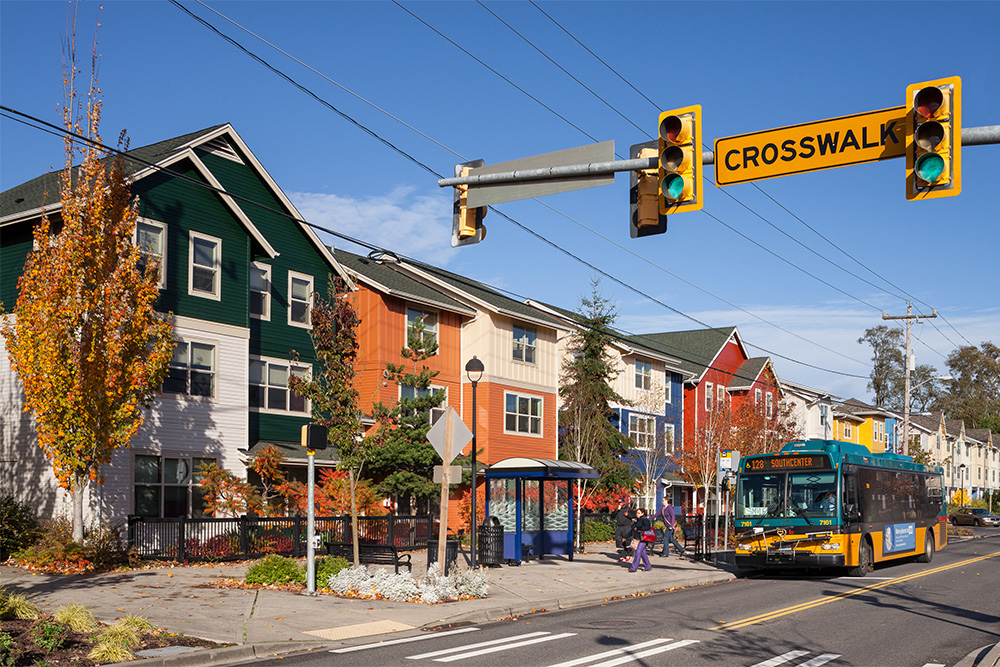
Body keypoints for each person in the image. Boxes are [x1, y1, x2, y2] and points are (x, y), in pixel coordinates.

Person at [628, 507, 653, 572]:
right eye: (636, 513)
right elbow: (633, 529)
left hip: (643, 539)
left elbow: (647, 527)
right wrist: (625, 537)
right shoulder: (637, 520)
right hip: (638, 538)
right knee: (642, 553)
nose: (637, 514)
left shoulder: (645, 520)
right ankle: (648, 566)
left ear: (643, 513)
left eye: (639, 513)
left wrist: (639, 528)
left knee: (638, 552)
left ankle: (633, 568)